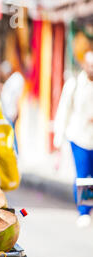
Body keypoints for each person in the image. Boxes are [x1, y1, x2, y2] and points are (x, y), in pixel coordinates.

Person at [53, 50, 93, 228]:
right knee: (84, 177)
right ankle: (84, 211)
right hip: (79, 137)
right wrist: (58, 139)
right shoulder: (74, 84)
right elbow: (64, 111)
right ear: (84, 65)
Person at [0, 60, 24, 153]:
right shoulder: (10, 81)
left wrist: (17, 110)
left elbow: (16, 97)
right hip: (7, 112)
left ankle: (15, 154)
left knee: (11, 135)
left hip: (11, 112)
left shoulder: (16, 79)